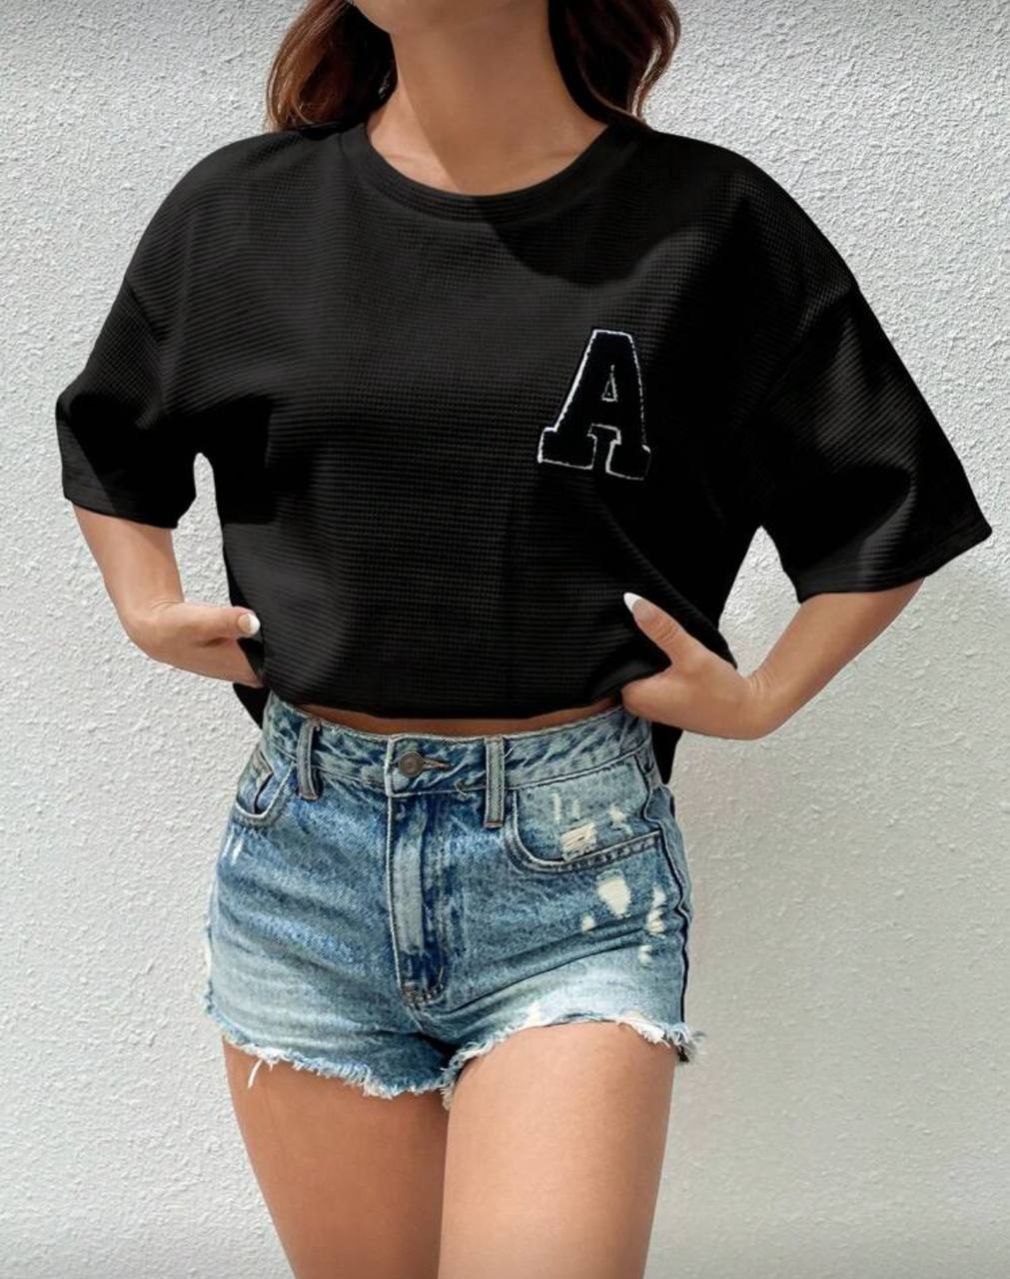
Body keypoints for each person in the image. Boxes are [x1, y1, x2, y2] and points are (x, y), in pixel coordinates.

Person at [53, 2, 993, 1276]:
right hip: (302, 862)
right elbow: (115, 433)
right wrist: (143, 601)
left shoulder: (703, 224)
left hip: (573, 870)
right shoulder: (242, 212)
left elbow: (884, 493)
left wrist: (764, 695)